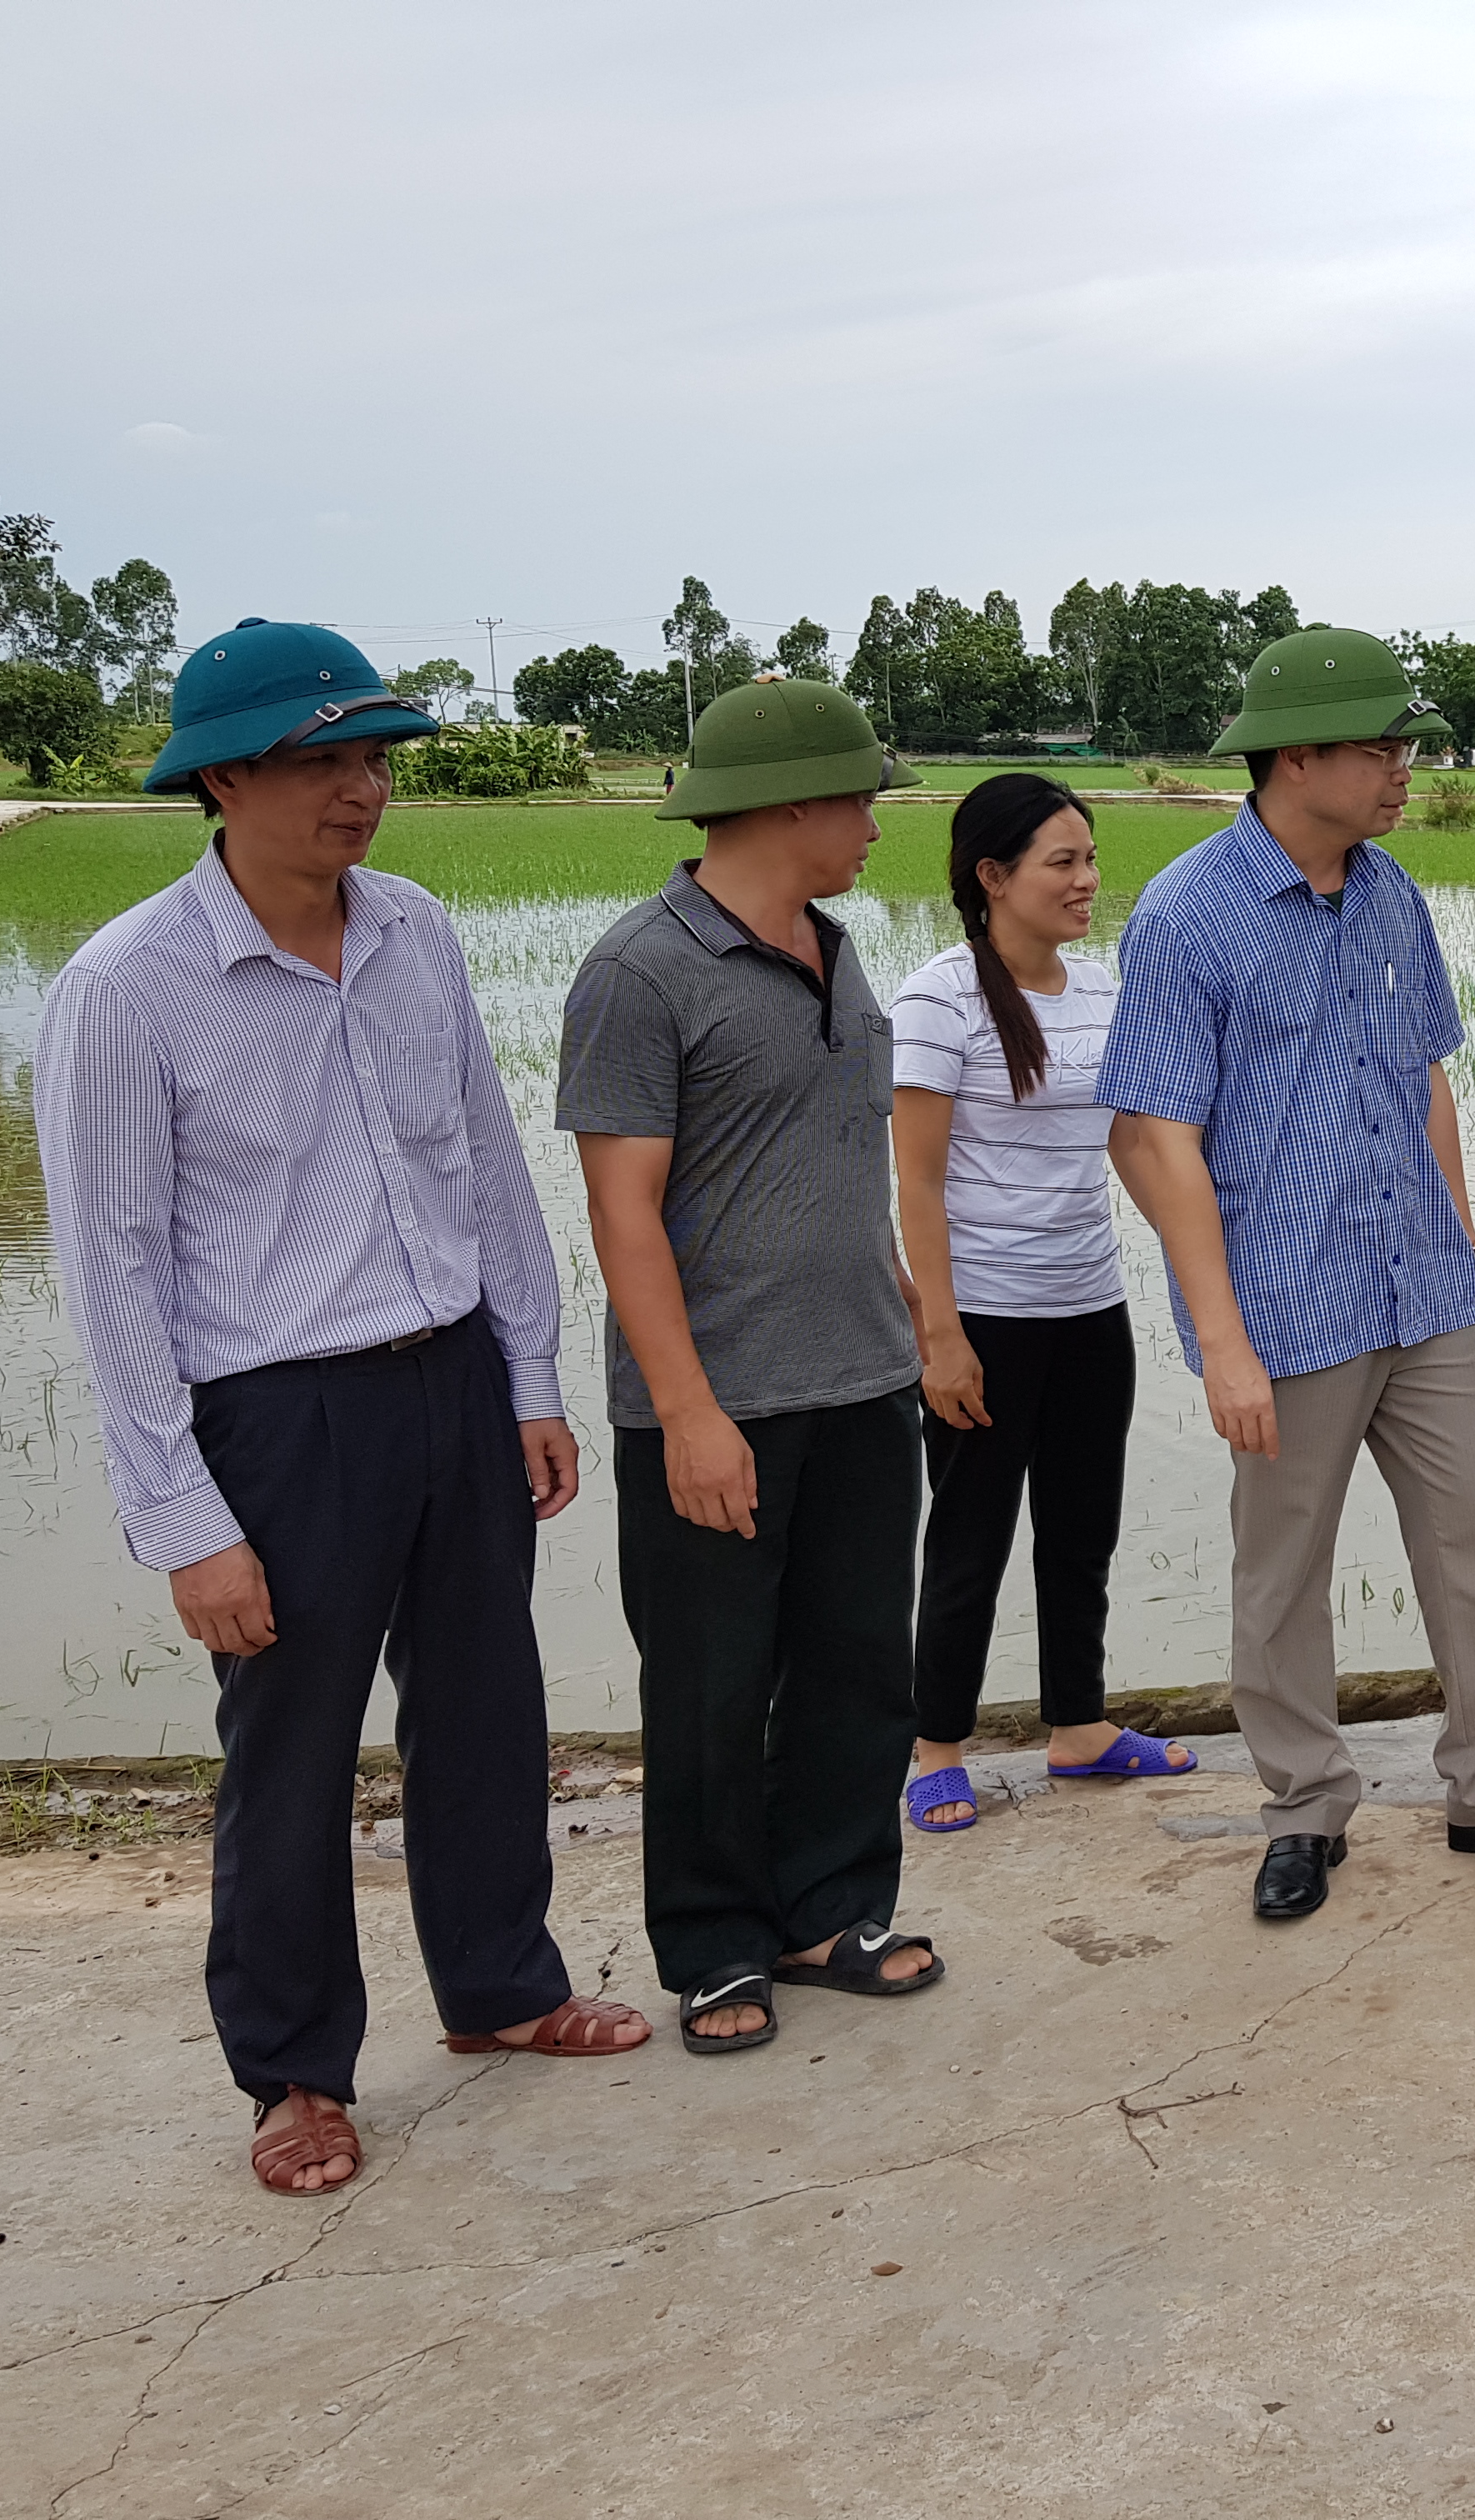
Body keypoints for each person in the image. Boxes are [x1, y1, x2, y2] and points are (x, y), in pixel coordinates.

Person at [34, 619, 649, 2199]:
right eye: (320, 761)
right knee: (292, 1753)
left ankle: (502, 1985)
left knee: (487, 1706)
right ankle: (297, 2072)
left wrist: (525, 1375)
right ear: (223, 778)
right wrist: (183, 1519)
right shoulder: (128, 988)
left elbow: (486, 1171)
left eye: (373, 757)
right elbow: (112, 1272)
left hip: (449, 1375)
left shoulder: (418, 934)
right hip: (279, 1417)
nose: (360, 789)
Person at [1100, 625, 1475, 1922]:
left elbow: (1425, 1070)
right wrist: (1222, 1340)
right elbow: (1149, 1133)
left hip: (1426, 1286)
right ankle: (1302, 1807)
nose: (1405, 766)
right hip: (1285, 1306)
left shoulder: (1392, 892)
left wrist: (1457, 1221)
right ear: (1297, 759)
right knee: (1281, 1572)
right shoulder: (1186, 916)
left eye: (1406, 744)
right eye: (1382, 745)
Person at [557, 676, 946, 2055]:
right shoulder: (640, 970)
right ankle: (717, 1939)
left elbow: (841, 1171)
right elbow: (624, 1209)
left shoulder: (838, 950)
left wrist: (909, 1316)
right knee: (713, 1687)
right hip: (716, 1405)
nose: (873, 825)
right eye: (860, 798)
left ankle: (830, 1905)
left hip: (859, 1384)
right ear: (787, 801)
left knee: (859, 1669)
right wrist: (684, 1411)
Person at [892, 774, 1191, 1832]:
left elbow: (1129, 1143)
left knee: (1082, 1529)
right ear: (992, 877)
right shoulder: (938, 1000)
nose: (1088, 882)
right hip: (984, 1318)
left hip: (1088, 1308)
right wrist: (941, 1335)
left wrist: (1199, 1261)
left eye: (1091, 859)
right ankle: (936, 1746)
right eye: (1062, 862)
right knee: (969, 1537)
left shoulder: (1105, 990)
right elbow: (913, 1182)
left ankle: (1081, 1729)